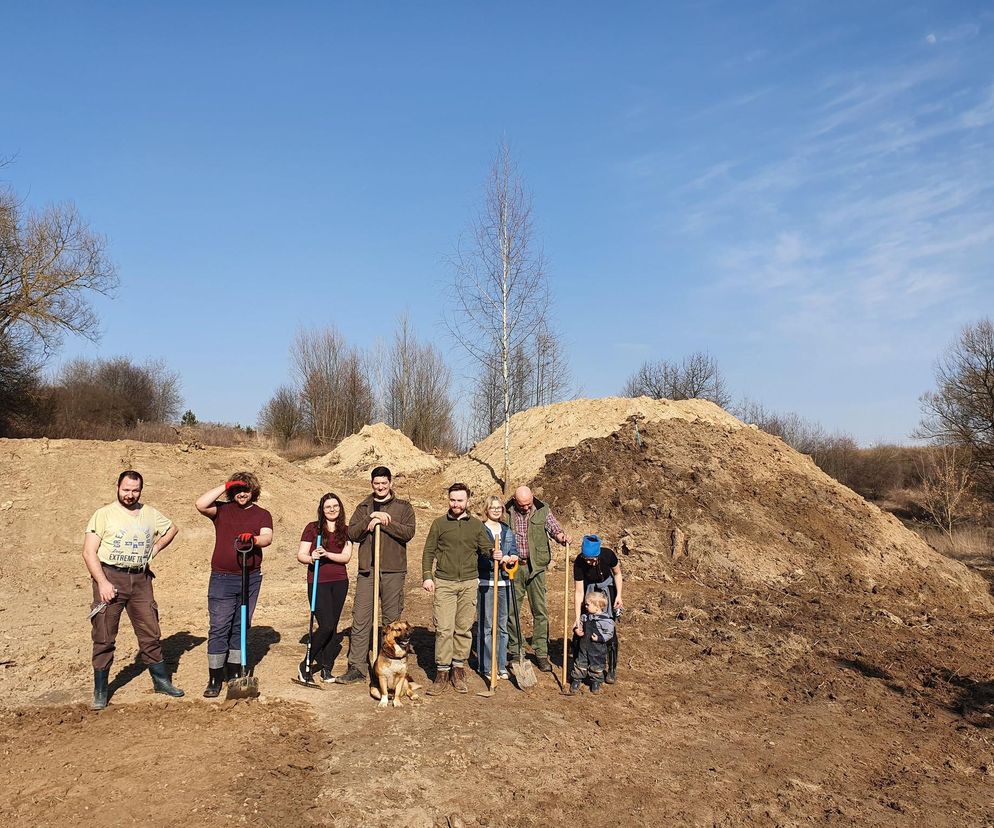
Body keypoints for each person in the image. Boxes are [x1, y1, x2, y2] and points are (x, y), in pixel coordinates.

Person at [82, 470, 183, 710]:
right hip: (110, 577)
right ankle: (101, 690)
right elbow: (88, 552)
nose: (130, 495)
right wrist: (103, 583)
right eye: (126, 489)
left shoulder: (149, 513)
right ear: (117, 487)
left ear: (141, 490)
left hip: (140, 579)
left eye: (135, 490)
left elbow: (172, 529)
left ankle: (161, 681)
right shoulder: (103, 514)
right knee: (104, 635)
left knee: (150, 631)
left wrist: (155, 549)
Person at [195, 472, 273, 697]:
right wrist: (225, 485)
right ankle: (214, 678)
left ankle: (235, 673)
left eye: (246, 489)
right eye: (238, 489)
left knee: (241, 626)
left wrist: (254, 539)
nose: (242, 494)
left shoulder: (262, 514)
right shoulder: (221, 510)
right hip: (222, 578)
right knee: (219, 626)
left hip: (250, 578)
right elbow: (200, 504)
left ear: (253, 492)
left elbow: (267, 537)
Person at [336, 466, 416, 685]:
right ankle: (357, 667)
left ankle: (393, 667)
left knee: (392, 622)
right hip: (368, 570)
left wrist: (384, 523)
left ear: (390, 482)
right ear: (372, 484)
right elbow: (351, 533)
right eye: (376, 483)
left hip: (393, 570)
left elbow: (409, 532)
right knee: (361, 619)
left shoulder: (403, 507)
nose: (380, 487)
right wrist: (370, 519)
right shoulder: (364, 507)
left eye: (384, 483)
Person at [422, 483, 495, 695]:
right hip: (444, 582)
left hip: (469, 583)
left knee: (463, 629)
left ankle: (458, 670)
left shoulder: (475, 525)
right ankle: (442, 672)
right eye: (452, 500)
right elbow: (428, 552)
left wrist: (495, 554)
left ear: (468, 501)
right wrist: (428, 576)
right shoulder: (438, 524)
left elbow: (485, 548)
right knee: (444, 629)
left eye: (460, 500)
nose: (456, 504)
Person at [505, 485, 571, 672]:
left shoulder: (543, 509)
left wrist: (561, 536)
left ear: (532, 498)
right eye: (522, 505)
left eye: (528, 504)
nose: (525, 508)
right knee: (512, 611)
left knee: (540, 611)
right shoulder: (507, 511)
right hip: (514, 568)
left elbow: (554, 527)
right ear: (515, 501)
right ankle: (516, 651)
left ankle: (541, 652)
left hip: (536, 568)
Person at [296, 492, 353, 683]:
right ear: (322, 509)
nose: (332, 509)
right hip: (318, 581)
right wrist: (312, 557)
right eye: (328, 506)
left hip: (339, 582)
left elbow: (346, 557)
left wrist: (327, 554)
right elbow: (301, 555)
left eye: (335, 506)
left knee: (333, 626)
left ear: (340, 507)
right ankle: (306, 664)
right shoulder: (313, 529)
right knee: (326, 625)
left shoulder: (346, 530)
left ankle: (326, 667)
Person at [572, 534, 624, 686]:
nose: (589, 562)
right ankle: (579, 668)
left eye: (592, 559)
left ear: (598, 555)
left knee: (608, 629)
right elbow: (579, 592)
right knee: (582, 628)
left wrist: (619, 595)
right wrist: (577, 617)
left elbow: (617, 573)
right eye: (587, 559)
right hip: (589, 593)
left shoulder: (608, 555)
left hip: (608, 591)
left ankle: (611, 669)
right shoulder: (579, 563)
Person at [476, 495, 518, 681]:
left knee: (502, 626)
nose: (495, 510)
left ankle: (501, 666)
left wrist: (512, 558)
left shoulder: (508, 531)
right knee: (486, 626)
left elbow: (514, 551)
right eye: (492, 507)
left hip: (504, 583)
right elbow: (478, 555)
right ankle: (486, 666)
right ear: (486, 509)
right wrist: (492, 557)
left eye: (499, 507)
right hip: (486, 582)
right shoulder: (480, 530)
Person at [569, 587, 615, 694]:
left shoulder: (606, 621)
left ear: (597, 606)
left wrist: (599, 638)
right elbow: (579, 624)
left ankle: (596, 681)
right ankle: (576, 679)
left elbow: (609, 634)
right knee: (580, 663)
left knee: (597, 665)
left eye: (588, 604)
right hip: (584, 646)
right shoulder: (585, 617)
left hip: (597, 648)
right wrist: (577, 629)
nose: (585, 606)